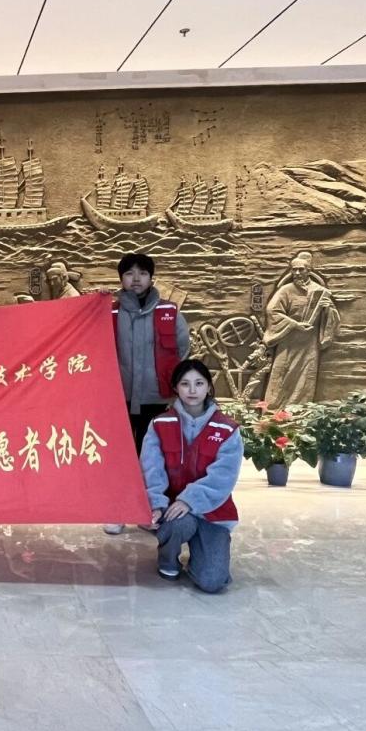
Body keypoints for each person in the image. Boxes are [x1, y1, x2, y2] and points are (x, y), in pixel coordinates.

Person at [140, 360, 243, 592]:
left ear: (209, 386)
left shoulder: (227, 429)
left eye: (199, 383)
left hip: (212, 512)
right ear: (176, 388)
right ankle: (168, 559)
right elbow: (151, 469)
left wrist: (190, 500)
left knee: (212, 582)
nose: (192, 390)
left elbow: (223, 476)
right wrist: (156, 504)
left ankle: (204, 552)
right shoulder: (159, 424)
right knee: (177, 524)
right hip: (172, 510)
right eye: (185, 384)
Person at [105, 253, 190, 535]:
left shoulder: (169, 312)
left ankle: (146, 510)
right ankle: (118, 511)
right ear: (121, 279)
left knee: (151, 458)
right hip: (119, 398)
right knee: (120, 456)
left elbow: (182, 349)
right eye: (129, 273)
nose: (136, 279)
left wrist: (164, 381)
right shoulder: (109, 313)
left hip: (157, 399)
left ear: (152, 278)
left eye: (142, 273)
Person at [262, 252, 340, 408]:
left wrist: (328, 309)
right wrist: (294, 324)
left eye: (301, 269)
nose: (297, 273)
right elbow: (272, 311)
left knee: (305, 376)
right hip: (288, 340)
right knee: (282, 373)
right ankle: (274, 411)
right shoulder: (286, 290)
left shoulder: (319, 290)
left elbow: (333, 318)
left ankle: (299, 411)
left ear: (309, 270)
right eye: (294, 270)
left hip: (309, 343)